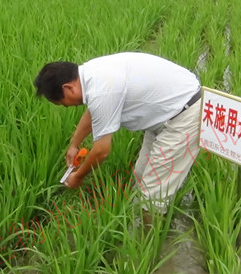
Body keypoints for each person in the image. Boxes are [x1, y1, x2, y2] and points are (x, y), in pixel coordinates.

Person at [33, 51, 202, 214]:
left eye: (62, 103)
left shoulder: (102, 90)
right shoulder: (90, 74)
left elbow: (101, 151)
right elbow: (93, 112)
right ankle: (142, 226)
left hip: (184, 115)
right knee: (141, 175)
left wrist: (78, 177)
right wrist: (73, 145)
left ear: (68, 88)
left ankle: (148, 240)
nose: (66, 106)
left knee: (152, 197)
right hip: (166, 112)